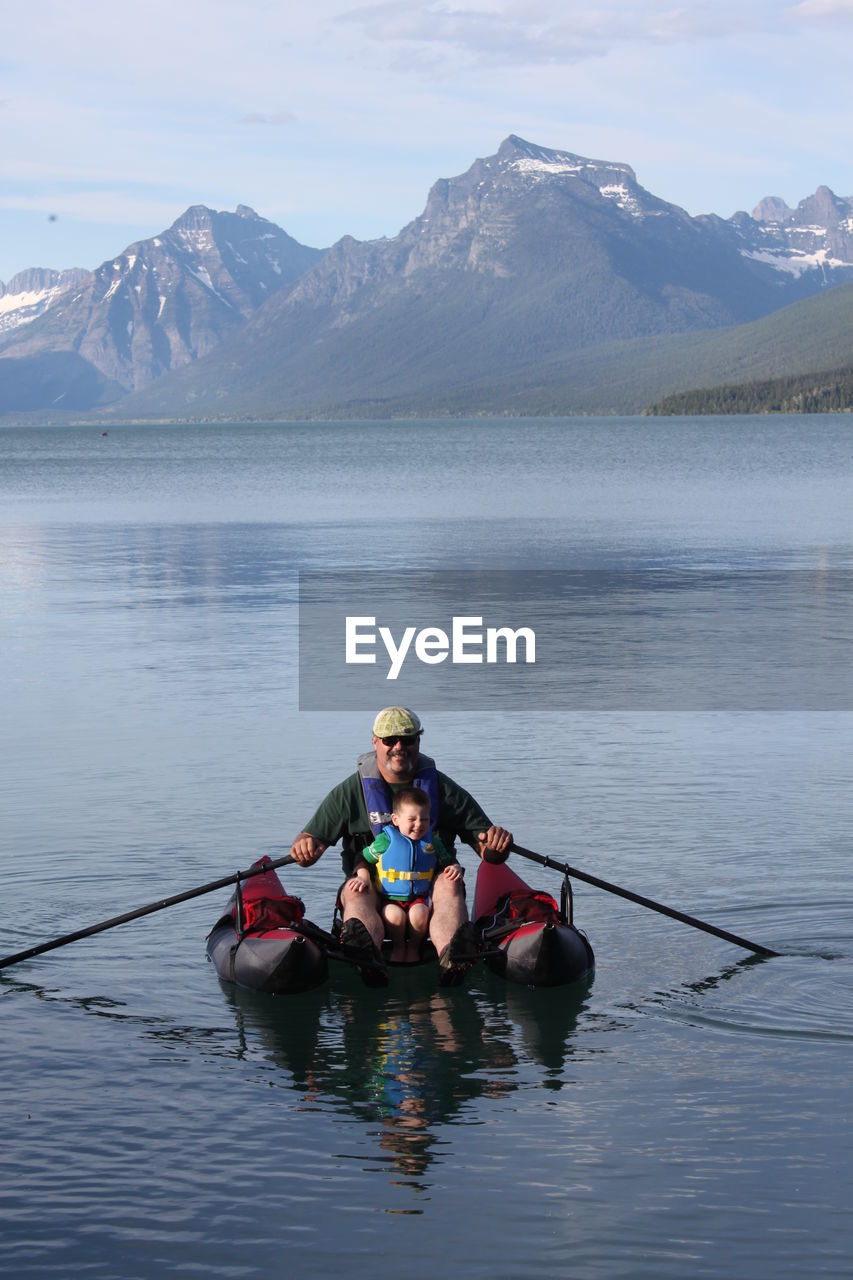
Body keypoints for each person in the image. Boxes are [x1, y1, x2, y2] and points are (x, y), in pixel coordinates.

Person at [289, 706, 513, 986]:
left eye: (408, 740)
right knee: (357, 888)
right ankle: (367, 960)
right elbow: (308, 846)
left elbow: (489, 851)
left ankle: (451, 960)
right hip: (372, 887)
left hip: (428, 892)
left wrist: (497, 845)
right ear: (375, 741)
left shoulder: (444, 790)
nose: (399, 747)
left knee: (450, 882)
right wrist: (304, 848)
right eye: (389, 740)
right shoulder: (349, 792)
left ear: (418, 741)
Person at [354, 786, 462, 964]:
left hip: (419, 898)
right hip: (390, 898)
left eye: (424, 819)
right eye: (412, 819)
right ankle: (398, 946)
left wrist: (455, 867)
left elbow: (448, 861)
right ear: (396, 820)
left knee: (419, 914)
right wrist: (362, 876)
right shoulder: (385, 841)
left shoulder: (432, 842)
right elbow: (362, 858)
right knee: (393, 916)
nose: (419, 824)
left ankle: (414, 946)